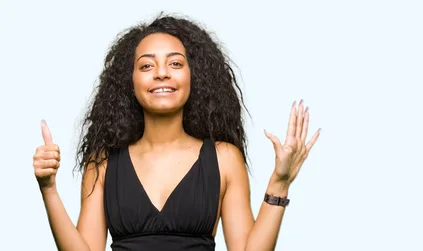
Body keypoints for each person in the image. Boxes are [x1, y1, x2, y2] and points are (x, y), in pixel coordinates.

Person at [32, 13, 320, 251]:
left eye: (175, 63)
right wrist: (49, 189)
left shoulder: (224, 159)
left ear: (193, 76)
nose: (161, 73)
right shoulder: (104, 162)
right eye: (147, 65)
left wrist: (280, 184)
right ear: (129, 82)